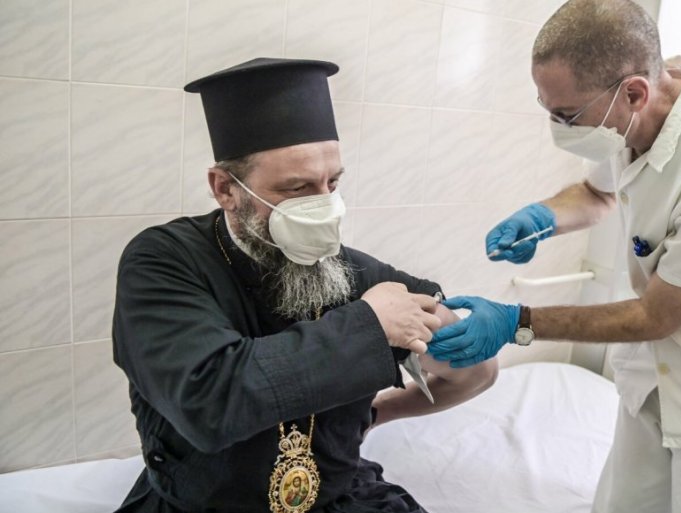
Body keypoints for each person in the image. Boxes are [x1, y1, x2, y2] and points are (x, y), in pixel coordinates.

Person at [427, 1, 681, 512]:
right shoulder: (633, 110)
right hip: (654, 377)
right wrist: (541, 217)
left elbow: (656, 315)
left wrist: (517, 322)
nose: (557, 127)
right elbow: (597, 194)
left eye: (566, 116)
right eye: (547, 108)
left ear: (634, 93)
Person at [112, 57, 497, 513]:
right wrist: (371, 327)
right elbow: (209, 403)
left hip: (337, 498)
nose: (325, 206)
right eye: (296, 189)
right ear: (225, 189)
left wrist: (379, 412)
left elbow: (477, 371)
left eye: (332, 183)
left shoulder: (363, 277)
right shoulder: (165, 261)